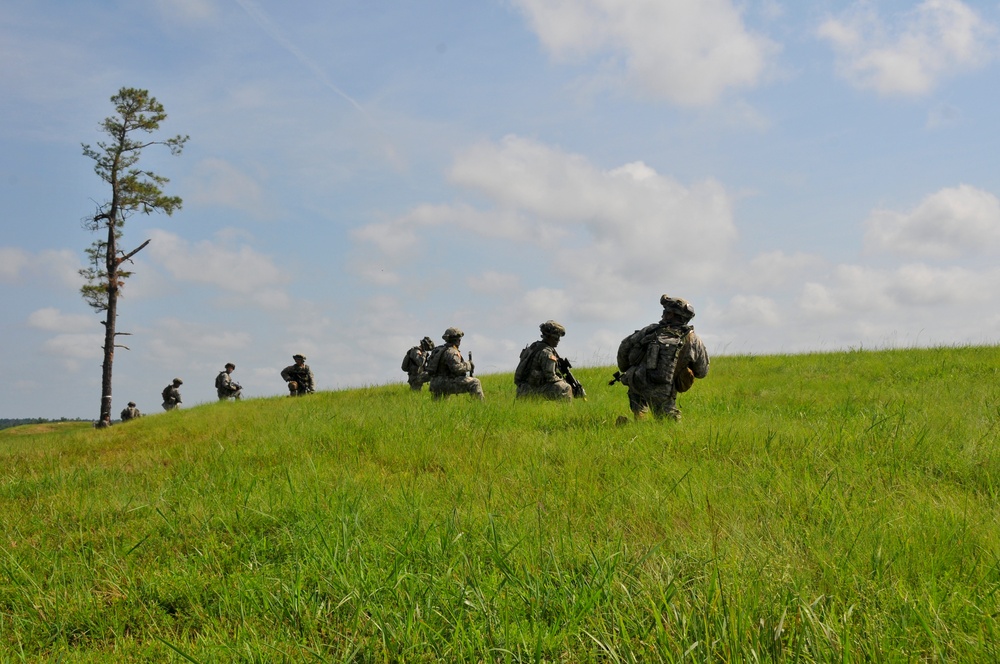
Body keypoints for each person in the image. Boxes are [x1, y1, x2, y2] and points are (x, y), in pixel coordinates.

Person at [615, 295, 709, 421]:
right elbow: (702, 372)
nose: (663, 315)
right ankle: (634, 426)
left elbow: (625, 347)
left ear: (671, 315)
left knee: (639, 412)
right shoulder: (693, 340)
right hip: (662, 390)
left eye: (666, 312)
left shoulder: (650, 330)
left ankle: (633, 423)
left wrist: (626, 369)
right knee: (671, 426)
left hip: (635, 380)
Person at [514, 320, 573, 401]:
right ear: (549, 337)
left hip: (521, 390)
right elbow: (551, 377)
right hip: (534, 391)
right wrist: (564, 381)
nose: (558, 340)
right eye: (556, 338)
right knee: (566, 388)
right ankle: (565, 412)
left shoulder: (533, 346)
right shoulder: (546, 352)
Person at [426, 327, 484, 401]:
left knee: (439, 407)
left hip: (435, 384)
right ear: (457, 340)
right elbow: (456, 369)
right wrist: (469, 365)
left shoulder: (439, 350)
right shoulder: (452, 351)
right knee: (475, 382)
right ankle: (480, 406)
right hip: (446, 383)